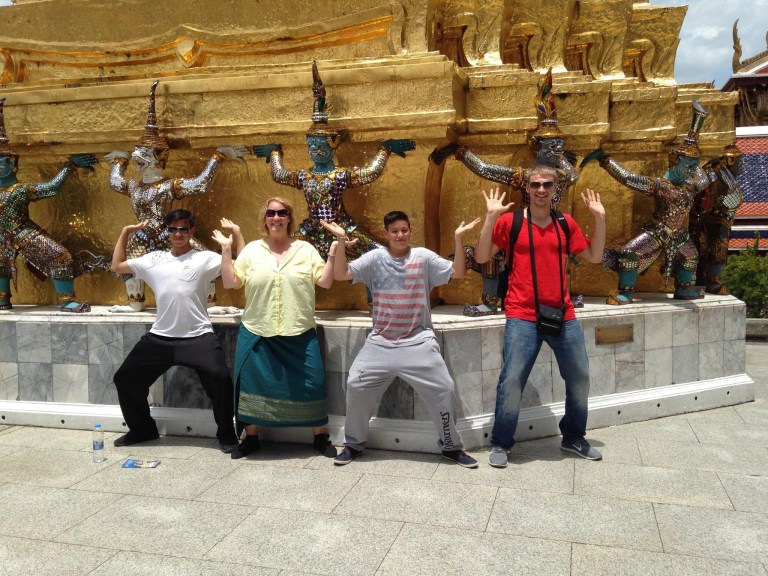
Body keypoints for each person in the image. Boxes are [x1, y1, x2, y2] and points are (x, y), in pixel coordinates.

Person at [321, 212, 481, 468]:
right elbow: (341, 275)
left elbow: (459, 273)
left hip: (418, 342)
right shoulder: (374, 259)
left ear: (410, 230)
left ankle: (451, 447)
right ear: (386, 234)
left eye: (404, 230)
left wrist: (458, 240)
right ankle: (353, 443)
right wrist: (340, 241)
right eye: (394, 231)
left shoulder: (423, 257)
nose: (400, 235)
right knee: (356, 385)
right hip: (380, 343)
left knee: (444, 389)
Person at [474, 165, 606, 467]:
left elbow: (594, 256)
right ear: (527, 189)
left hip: (562, 313)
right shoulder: (512, 222)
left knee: (580, 377)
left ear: (555, 188)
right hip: (522, 314)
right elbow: (482, 256)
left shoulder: (565, 223)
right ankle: (502, 442)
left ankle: (573, 437)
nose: (541, 190)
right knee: (512, 380)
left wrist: (600, 218)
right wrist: (491, 217)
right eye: (535, 185)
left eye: (547, 184)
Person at [105, 80, 248, 313]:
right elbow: (114, 182)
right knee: (130, 266)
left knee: (204, 258)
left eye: (142, 154)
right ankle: (135, 302)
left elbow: (200, 184)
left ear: (157, 157)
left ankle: (210, 304)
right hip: (141, 234)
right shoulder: (133, 185)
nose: (137, 157)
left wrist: (218, 157)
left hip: (167, 232)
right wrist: (120, 161)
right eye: (136, 154)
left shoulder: (169, 186)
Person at [211, 197, 338, 459]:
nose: (276, 217)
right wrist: (226, 249)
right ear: (265, 218)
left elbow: (324, 282)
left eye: (282, 213)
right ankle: (252, 437)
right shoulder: (252, 251)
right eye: (271, 213)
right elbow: (231, 282)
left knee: (311, 383)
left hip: (299, 330)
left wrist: (335, 248)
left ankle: (319, 436)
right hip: (259, 329)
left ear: (289, 217)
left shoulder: (305, 249)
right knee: (252, 385)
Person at [253, 61, 415, 261]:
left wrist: (386, 149)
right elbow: (279, 175)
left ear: (332, 145)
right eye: (311, 146)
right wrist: (275, 153)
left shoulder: (340, 175)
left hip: (342, 227)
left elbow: (369, 173)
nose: (315, 150)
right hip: (311, 231)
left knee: (380, 257)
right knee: (282, 259)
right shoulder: (305, 176)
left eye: (320, 145)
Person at [110, 209, 242, 451]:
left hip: (198, 337)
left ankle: (227, 435)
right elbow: (117, 266)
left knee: (221, 380)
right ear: (167, 232)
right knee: (125, 379)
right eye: (173, 229)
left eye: (183, 229)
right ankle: (142, 429)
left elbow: (242, 265)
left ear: (191, 232)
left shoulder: (204, 258)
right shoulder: (154, 259)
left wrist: (236, 234)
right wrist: (125, 233)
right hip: (160, 338)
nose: (178, 233)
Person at [580, 100, 709, 304]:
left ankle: (683, 288)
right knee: (628, 252)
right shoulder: (661, 186)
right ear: (674, 161)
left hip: (679, 235)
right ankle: (627, 291)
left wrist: (700, 145)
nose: (692, 171)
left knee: (691, 257)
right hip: (658, 233)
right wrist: (605, 160)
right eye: (688, 166)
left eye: (694, 167)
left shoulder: (690, 186)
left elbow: (705, 176)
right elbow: (629, 178)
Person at [0, 97, 103, 312]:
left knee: (60, 256)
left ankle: (66, 300)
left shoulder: (21, 189)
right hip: (4, 236)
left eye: (2, 161)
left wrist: (70, 166)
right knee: (1, 265)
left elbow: (52, 188)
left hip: (21, 232)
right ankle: (3, 299)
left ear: (13, 164)